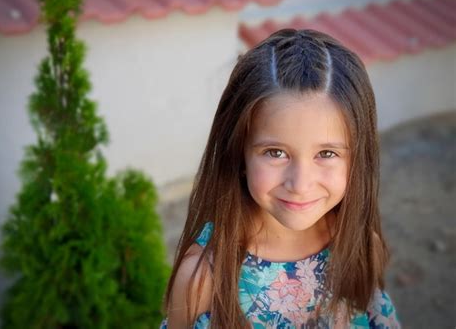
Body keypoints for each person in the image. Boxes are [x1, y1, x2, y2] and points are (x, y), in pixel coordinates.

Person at [160, 29, 400, 328]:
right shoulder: (203, 279)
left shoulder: (359, 248)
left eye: (326, 154)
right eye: (275, 152)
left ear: (358, 157)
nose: (300, 184)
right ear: (239, 153)